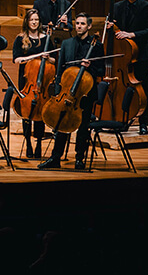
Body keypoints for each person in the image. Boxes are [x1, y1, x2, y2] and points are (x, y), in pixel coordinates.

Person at [38, 13, 104, 170]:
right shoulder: (67, 43)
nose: (79, 26)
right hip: (66, 92)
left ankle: (79, 159)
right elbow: (60, 69)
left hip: (85, 94)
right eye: (77, 23)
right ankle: (55, 158)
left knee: (83, 127)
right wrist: (59, 89)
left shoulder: (96, 45)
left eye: (82, 24)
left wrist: (91, 67)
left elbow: (101, 69)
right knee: (61, 124)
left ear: (89, 26)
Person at [111, 0, 148, 135]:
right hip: (122, 55)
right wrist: (111, 27)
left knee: (142, 89)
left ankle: (143, 123)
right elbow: (115, 29)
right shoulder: (117, 6)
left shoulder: (147, 7)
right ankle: (123, 120)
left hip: (139, 55)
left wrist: (131, 34)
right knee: (124, 89)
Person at [12, 8, 50, 159]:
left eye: (36, 20)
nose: (34, 22)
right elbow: (16, 59)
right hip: (26, 80)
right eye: (31, 20)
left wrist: (47, 58)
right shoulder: (20, 39)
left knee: (40, 114)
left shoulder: (46, 38)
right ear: (26, 22)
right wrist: (33, 57)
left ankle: (39, 142)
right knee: (26, 114)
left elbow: (54, 60)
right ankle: (27, 142)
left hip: (41, 82)